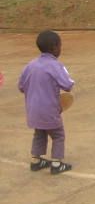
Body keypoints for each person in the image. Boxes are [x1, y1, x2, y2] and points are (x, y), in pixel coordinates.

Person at [18, 30, 75, 174]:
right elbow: (68, 85)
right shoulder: (56, 65)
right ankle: (56, 163)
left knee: (39, 133)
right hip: (49, 110)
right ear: (55, 47)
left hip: (32, 110)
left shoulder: (30, 65)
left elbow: (21, 86)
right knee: (58, 135)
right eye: (60, 46)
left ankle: (36, 161)